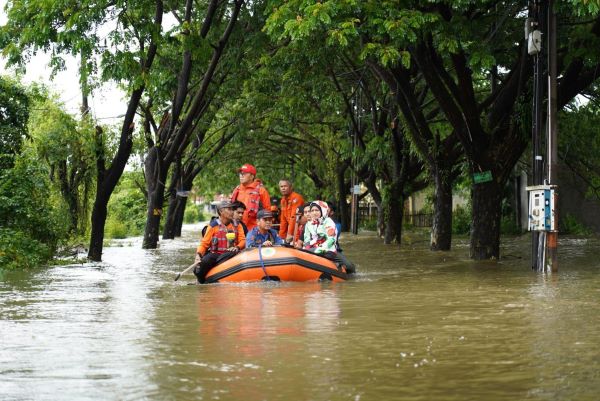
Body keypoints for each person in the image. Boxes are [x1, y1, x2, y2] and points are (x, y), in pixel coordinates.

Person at [194, 201, 246, 283]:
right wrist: (198, 255)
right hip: (216, 254)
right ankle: (202, 278)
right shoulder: (213, 226)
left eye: (232, 209)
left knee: (230, 253)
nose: (232, 212)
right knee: (205, 261)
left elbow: (242, 240)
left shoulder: (238, 225)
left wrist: (237, 247)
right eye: (229, 209)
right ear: (221, 211)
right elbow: (204, 244)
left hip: (231, 253)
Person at [230, 163, 271, 231]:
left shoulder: (261, 191)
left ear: (252, 176)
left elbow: (267, 213)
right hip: (238, 229)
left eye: (244, 174)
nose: (241, 176)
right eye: (240, 173)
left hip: (255, 231)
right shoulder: (236, 190)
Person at [278, 179, 305, 244]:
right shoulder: (283, 200)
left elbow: (294, 217)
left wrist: (289, 233)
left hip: (300, 228)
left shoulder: (297, 198)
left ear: (290, 187)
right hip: (293, 228)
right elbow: (283, 220)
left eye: (285, 186)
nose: (283, 188)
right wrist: (281, 237)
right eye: (281, 187)